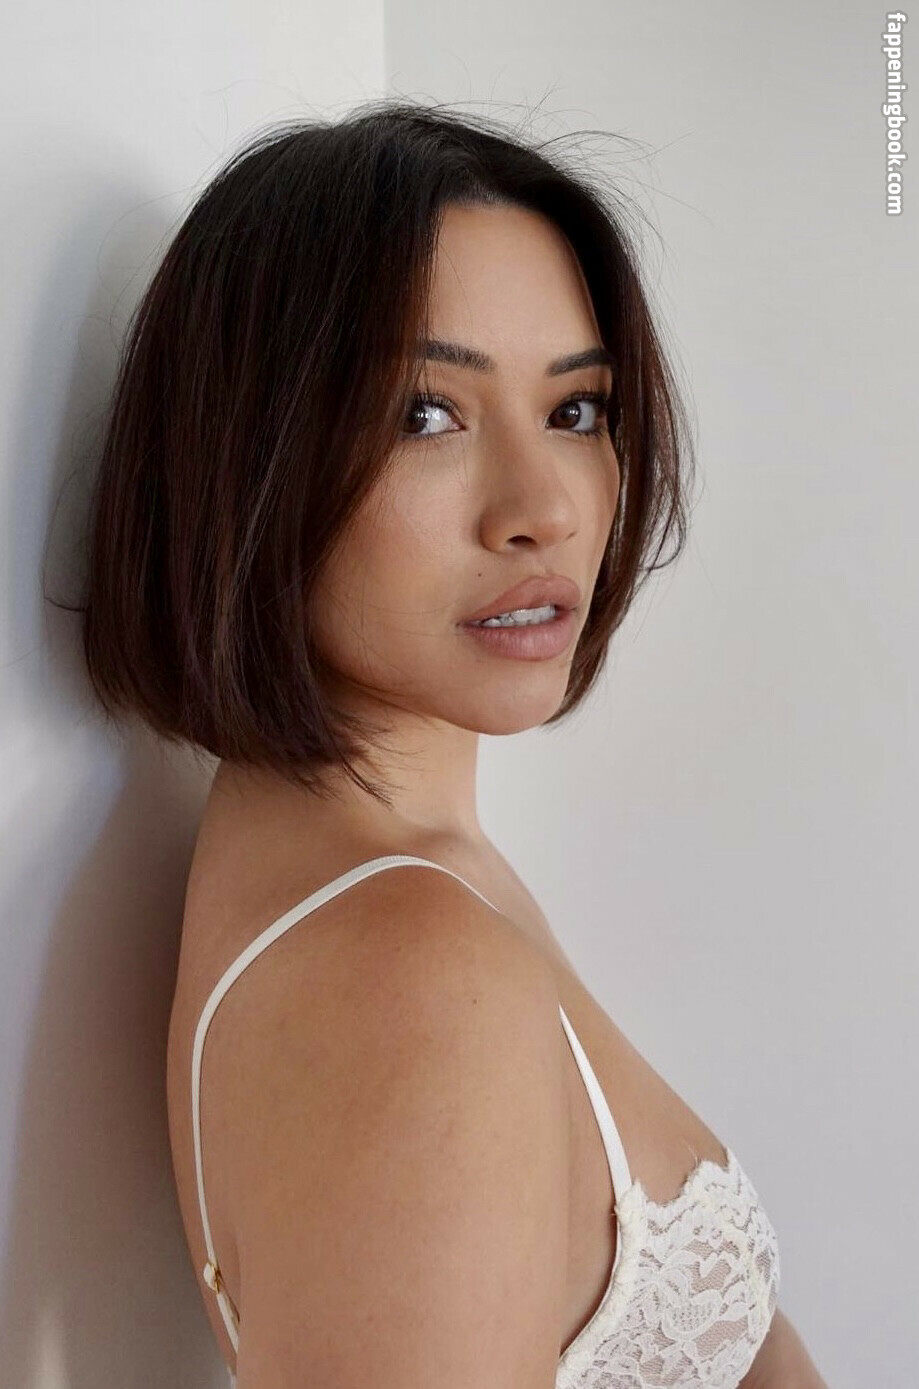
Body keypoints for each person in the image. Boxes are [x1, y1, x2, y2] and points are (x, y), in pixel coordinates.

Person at [78, 99, 828, 1388]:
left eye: (577, 411)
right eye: (426, 414)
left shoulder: (425, 877)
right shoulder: (403, 971)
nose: (544, 510)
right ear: (252, 458)